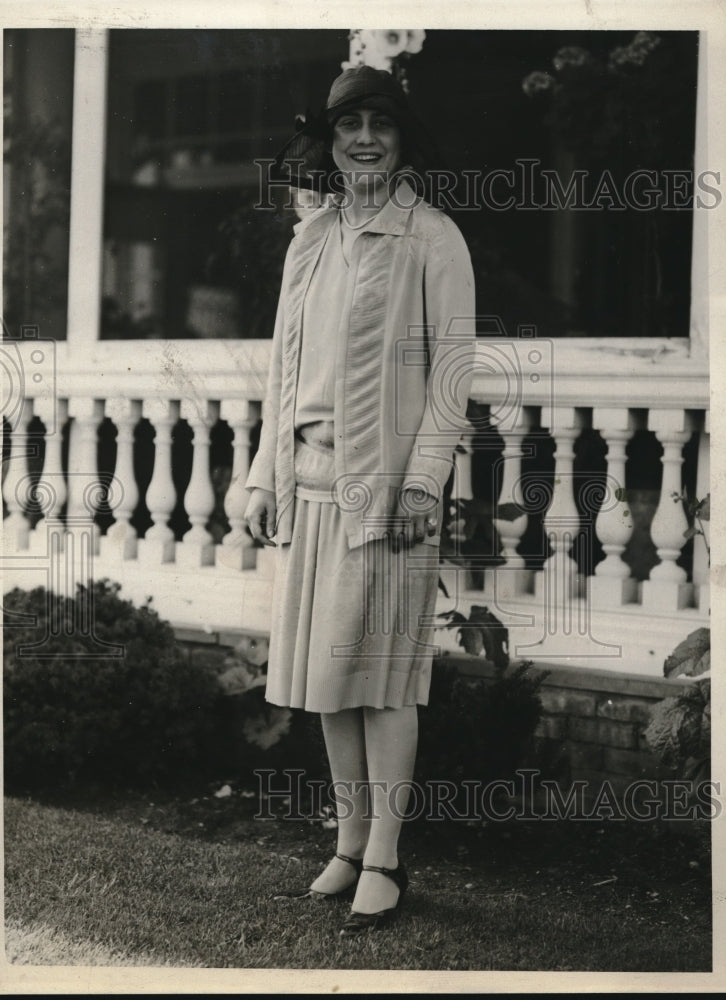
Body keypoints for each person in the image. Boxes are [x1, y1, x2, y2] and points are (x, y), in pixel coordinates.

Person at [244, 65, 475, 936]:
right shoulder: (314, 238)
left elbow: (453, 376)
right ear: (330, 140)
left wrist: (423, 481)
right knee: (329, 682)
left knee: (382, 683)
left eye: (380, 123)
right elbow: (284, 368)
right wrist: (265, 473)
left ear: (402, 138)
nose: (365, 138)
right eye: (350, 126)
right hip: (309, 481)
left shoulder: (433, 238)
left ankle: (386, 856)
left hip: (388, 491)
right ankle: (346, 846)